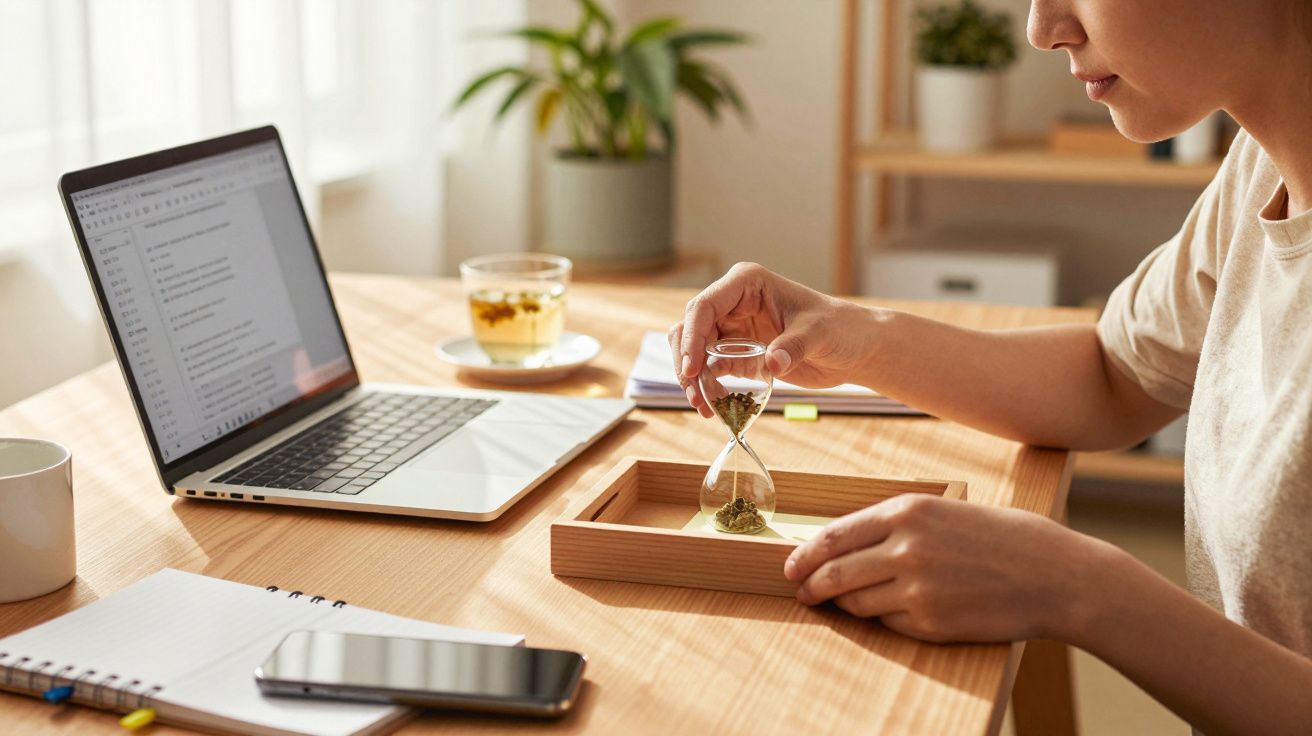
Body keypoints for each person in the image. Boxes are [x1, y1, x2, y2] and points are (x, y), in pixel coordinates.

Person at [669, 1, 1312, 732]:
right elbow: (1113, 375)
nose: (1042, 28)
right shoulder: (1262, 164)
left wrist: (1075, 587)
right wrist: (852, 334)